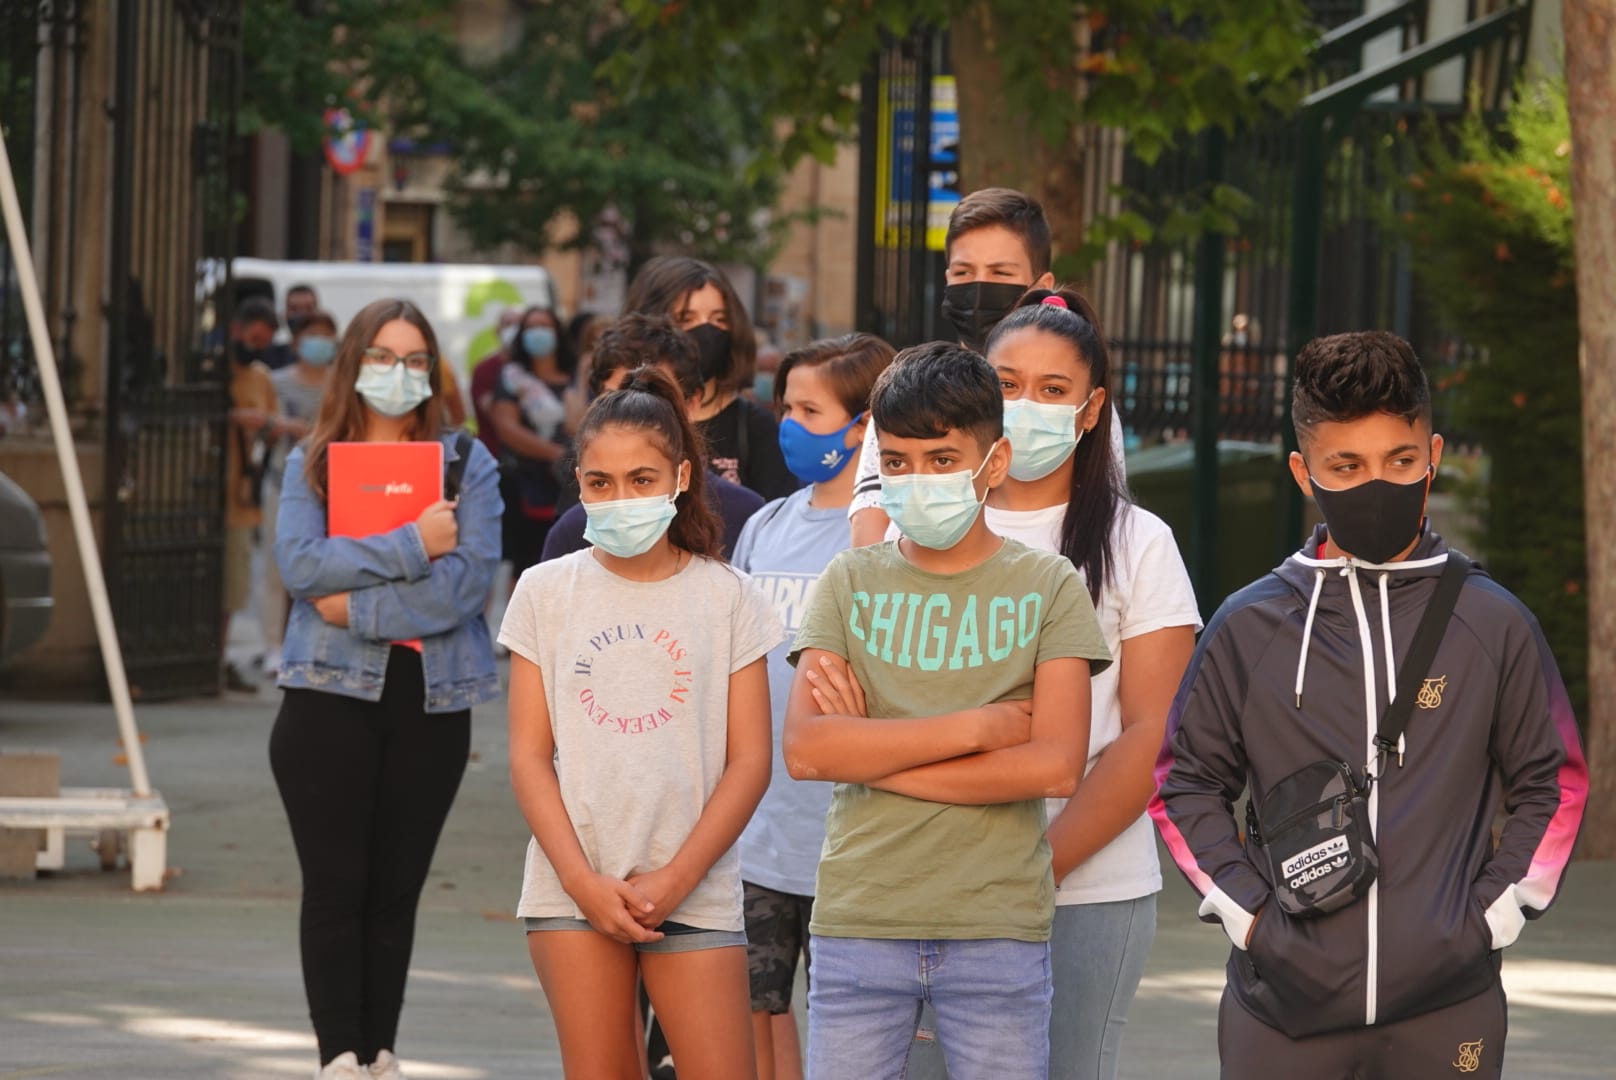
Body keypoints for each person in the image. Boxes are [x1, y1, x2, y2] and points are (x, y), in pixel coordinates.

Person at [1149, 331, 1588, 1080]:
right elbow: (1182, 782)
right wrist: (1255, 922)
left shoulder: (1493, 622)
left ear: (1433, 454)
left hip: (1450, 1003)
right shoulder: (1249, 625)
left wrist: (1487, 918)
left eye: (1400, 462)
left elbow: (1557, 780)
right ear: (1303, 472)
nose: (1375, 485)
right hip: (1280, 1012)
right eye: (1345, 467)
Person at [784, 342, 1111, 1080]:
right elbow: (806, 752)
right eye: (896, 463)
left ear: (994, 463)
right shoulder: (849, 580)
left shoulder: (1049, 586)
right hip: (860, 921)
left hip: (997, 929)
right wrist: (981, 728)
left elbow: (1055, 766)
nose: (917, 480)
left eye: (940, 460)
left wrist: (872, 749)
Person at [902, 290, 1201, 1080]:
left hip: (1085, 891)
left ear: (1093, 406)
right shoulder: (926, 529)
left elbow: (1152, 735)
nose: (1025, 405)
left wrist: (1035, 865)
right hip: (925, 886)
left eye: (1053, 389)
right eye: (1005, 384)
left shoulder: (1140, 544)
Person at [500, 366, 782, 1079]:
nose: (620, 498)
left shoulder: (727, 596)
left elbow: (751, 761)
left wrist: (677, 877)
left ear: (682, 476)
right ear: (580, 484)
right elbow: (530, 756)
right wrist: (582, 881)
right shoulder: (544, 592)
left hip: (696, 889)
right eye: (600, 483)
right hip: (573, 890)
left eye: (641, 479)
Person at [272, 298, 502, 1080]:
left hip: (430, 701)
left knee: (395, 889)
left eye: (413, 359)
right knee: (336, 884)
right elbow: (301, 568)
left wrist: (356, 602)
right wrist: (413, 543)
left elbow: (468, 582)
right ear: (352, 362)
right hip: (325, 699)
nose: (397, 374)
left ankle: (381, 1054)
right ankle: (338, 1056)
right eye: (382, 355)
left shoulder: (467, 463)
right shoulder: (311, 462)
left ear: (432, 372)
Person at [731, 332, 897, 1080]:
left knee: (850, 1027)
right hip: (761, 829)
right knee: (759, 1015)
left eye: (811, 409)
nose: (790, 424)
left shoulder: (886, 532)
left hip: (849, 839)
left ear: (864, 423)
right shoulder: (766, 524)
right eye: (785, 407)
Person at [847, 188, 1056, 546]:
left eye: (1000, 273)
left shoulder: (1067, 399)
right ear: (947, 278)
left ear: (1041, 286)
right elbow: (870, 527)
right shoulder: (908, 387)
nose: (978, 288)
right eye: (964, 271)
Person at [541, 315, 764, 562]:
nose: (630, 416)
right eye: (615, 400)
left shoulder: (747, 517)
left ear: (692, 404)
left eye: (652, 400)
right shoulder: (572, 531)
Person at [623, 255, 797, 501]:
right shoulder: (619, 424)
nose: (706, 331)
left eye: (719, 319)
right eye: (686, 319)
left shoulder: (758, 430)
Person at [261, 309, 340, 677]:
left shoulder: (341, 386)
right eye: (313, 334)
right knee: (278, 571)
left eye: (328, 335)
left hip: (333, 487)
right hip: (284, 482)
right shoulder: (276, 382)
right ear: (296, 342)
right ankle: (273, 646)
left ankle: (316, 644)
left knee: (325, 570)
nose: (320, 342)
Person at [488, 304, 577, 572]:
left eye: (545, 326)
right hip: (525, 487)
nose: (538, 333)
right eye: (531, 327)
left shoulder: (577, 376)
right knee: (526, 566)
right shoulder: (512, 377)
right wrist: (556, 455)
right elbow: (507, 427)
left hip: (571, 489)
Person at [225, 298, 281, 692]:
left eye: (265, 341)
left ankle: (219, 658)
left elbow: (272, 422)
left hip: (243, 495)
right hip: (209, 488)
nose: (257, 346)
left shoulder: (261, 377)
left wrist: (267, 424)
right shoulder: (216, 372)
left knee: (235, 584)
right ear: (236, 330)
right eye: (254, 337)